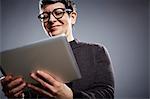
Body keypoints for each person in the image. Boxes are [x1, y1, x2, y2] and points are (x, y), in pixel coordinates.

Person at [1, 0, 115, 98]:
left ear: (73, 17)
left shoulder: (96, 51)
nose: (51, 19)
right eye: (44, 16)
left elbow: (107, 94)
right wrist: (18, 97)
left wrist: (71, 97)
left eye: (58, 13)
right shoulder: (32, 59)